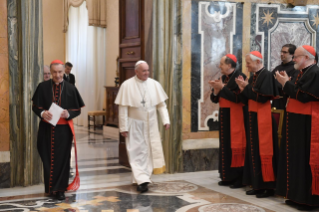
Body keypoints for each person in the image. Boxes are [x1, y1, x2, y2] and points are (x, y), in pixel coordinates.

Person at [32, 60, 84, 200]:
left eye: (60, 72)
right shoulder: (42, 87)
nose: (57, 75)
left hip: (63, 132)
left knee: (63, 160)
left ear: (63, 72)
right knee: (47, 157)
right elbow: (36, 107)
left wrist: (68, 114)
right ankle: (50, 188)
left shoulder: (70, 88)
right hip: (46, 129)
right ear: (50, 72)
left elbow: (77, 109)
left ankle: (60, 189)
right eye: (54, 72)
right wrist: (43, 113)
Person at [114, 60, 170, 193]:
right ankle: (142, 180)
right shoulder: (127, 85)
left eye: (148, 70)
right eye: (143, 71)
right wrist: (123, 127)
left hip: (151, 123)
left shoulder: (154, 84)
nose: (146, 73)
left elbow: (161, 105)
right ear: (136, 71)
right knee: (136, 152)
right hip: (135, 124)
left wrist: (166, 120)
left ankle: (141, 179)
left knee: (148, 152)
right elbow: (123, 109)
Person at [275, 45, 319, 211]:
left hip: (307, 125)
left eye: (296, 57)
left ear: (307, 58)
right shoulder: (303, 72)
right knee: (296, 160)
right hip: (297, 123)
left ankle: (307, 200)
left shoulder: (315, 72)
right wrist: (287, 82)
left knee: (304, 161)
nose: (293, 59)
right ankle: (295, 196)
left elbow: (303, 96)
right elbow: (296, 92)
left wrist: (286, 83)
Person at [235, 51, 279, 198]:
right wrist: (243, 88)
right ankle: (257, 184)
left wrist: (246, 87)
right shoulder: (254, 76)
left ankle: (268, 187)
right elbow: (248, 98)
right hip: (253, 116)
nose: (246, 65)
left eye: (248, 62)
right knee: (254, 151)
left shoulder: (266, 75)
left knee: (264, 152)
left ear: (258, 62)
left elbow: (261, 98)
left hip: (263, 117)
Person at [209, 54, 247, 189]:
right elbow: (215, 99)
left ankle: (238, 178)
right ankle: (226, 176)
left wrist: (222, 89)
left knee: (236, 147)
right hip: (224, 115)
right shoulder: (223, 78)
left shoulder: (240, 77)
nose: (219, 66)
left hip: (236, 116)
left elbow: (239, 99)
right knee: (225, 146)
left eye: (222, 64)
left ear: (230, 65)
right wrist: (215, 91)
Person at [271, 44, 299, 109]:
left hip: (287, 102)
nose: (281, 54)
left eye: (285, 52)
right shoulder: (277, 68)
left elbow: (292, 86)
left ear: (292, 54)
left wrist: (279, 82)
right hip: (275, 101)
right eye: (281, 52)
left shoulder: (296, 69)